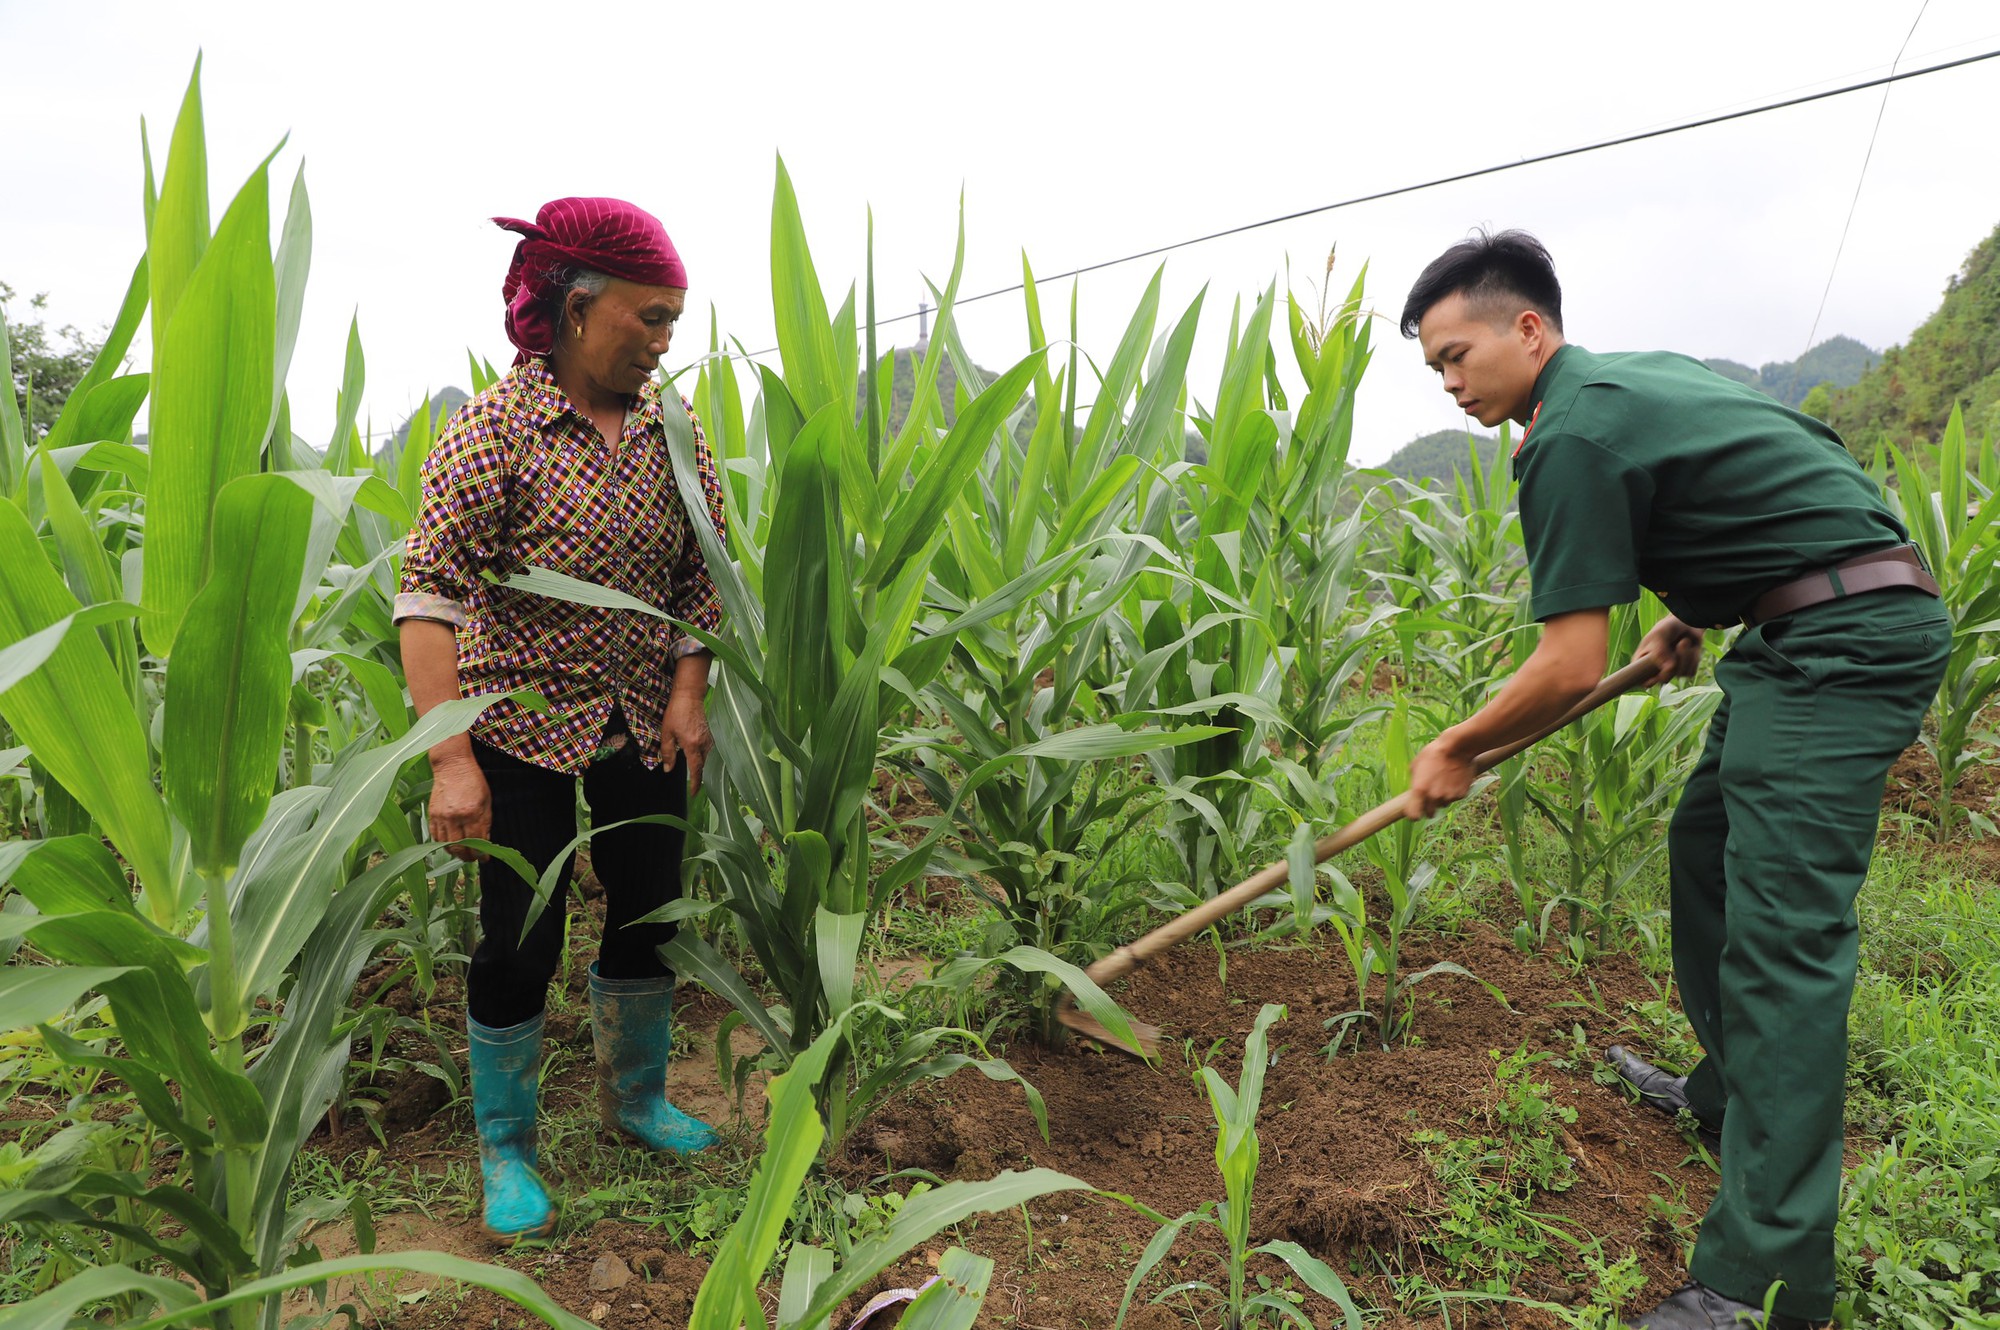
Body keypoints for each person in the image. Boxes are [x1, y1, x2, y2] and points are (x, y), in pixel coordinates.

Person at [1400, 231, 1947, 1329]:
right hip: (1814, 625)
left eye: (1456, 355)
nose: (1450, 383)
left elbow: (1565, 665)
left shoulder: (1570, 435)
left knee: (1784, 947)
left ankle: (1761, 1283)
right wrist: (1691, 614)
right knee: (1704, 843)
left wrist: (1456, 745)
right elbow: (1783, 461)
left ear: (1527, 327)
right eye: (1432, 370)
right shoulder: (1636, 379)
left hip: (1839, 648)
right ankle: (1727, 1092)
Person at [396, 197, 729, 1242]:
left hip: (641, 717)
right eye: (652, 316)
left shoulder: (674, 432)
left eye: (675, 319)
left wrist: (685, 692)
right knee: (519, 932)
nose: (666, 340)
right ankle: (508, 1146)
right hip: (516, 723)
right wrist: (452, 756)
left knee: (647, 906)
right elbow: (428, 598)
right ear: (581, 308)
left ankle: (634, 1100)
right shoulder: (491, 432)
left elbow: (701, 576)